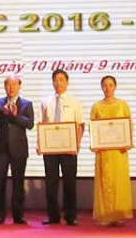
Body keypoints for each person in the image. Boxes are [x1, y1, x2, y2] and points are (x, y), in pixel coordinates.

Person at [0, 74, 34, 225]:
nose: (11, 87)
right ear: (4, 86)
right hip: (1, 149)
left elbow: (30, 124)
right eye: (8, 84)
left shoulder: (26, 104)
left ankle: (18, 216)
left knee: (18, 183)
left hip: (19, 149)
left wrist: (16, 115)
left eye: (14, 84)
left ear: (19, 86)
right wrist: (1, 113)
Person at [40, 69, 85, 226]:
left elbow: (80, 125)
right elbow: (42, 124)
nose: (58, 83)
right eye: (55, 80)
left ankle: (70, 216)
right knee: (51, 183)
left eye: (61, 80)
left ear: (67, 82)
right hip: (50, 148)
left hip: (68, 148)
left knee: (69, 182)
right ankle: (53, 216)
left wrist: (76, 143)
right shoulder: (46, 101)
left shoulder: (75, 102)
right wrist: (40, 144)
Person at [91, 75, 133, 227]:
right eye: (104, 85)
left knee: (119, 181)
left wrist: (127, 142)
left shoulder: (123, 105)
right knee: (104, 181)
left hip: (118, 152)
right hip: (103, 152)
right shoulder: (96, 107)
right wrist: (94, 143)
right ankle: (105, 214)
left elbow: (129, 125)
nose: (107, 88)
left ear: (115, 87)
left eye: (110, 85)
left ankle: (118, 214)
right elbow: (93, 129)